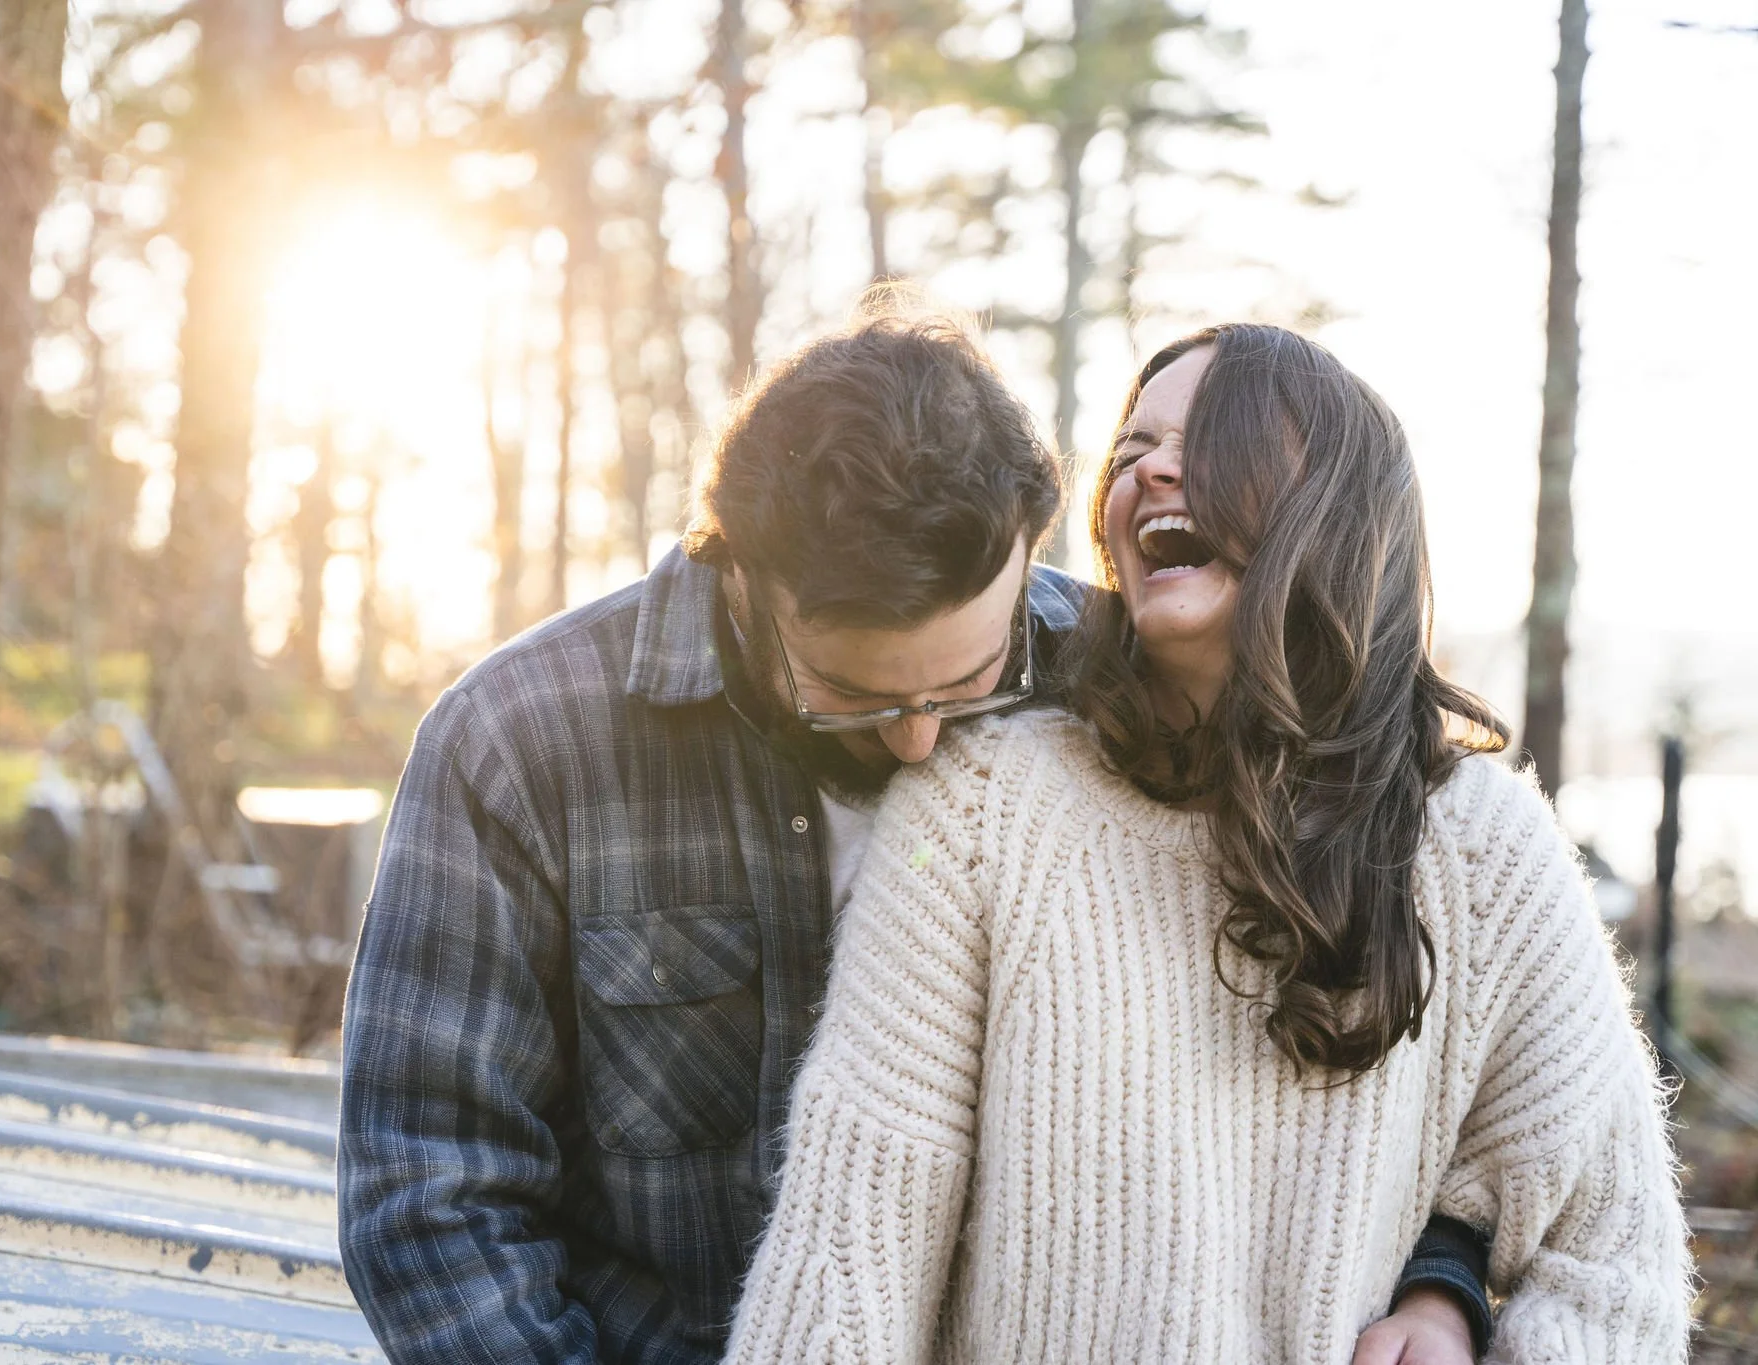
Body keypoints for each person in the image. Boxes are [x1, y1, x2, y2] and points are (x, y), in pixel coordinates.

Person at [338, 309, 1496, 1363]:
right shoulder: (517, 744)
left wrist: (1443, 1278)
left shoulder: (1125, 689)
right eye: (854, 695)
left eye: (972, 682)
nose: (918, 746)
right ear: (734, 573)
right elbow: (433, 1199)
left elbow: (1322, 1077)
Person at [722, 324, 1693, 1364]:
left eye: (1212, 436)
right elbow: (851, 1249)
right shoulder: (975, 805)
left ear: (1336, 500)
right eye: (1130, 448)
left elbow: (1606, 1264)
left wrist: (1444, 1286)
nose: (1151, 470)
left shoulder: (1480, 847)